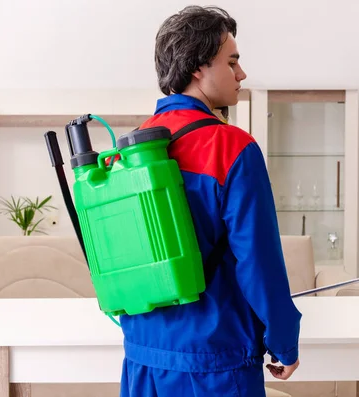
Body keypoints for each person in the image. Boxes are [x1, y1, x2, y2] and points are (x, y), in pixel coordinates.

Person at [119, 5, 302, 396]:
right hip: (216, 366)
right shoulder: (232, 148)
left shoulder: (129, 151)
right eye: (232, 61)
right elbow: (260, 261)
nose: (242, 74)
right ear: (198, 67)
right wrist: (285, 341)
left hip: (142, 362)